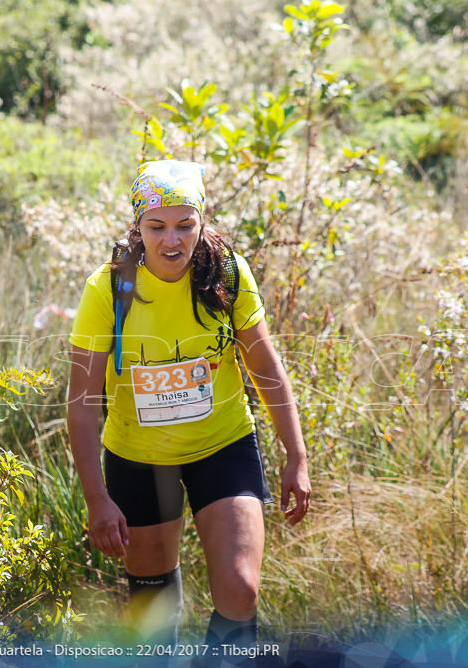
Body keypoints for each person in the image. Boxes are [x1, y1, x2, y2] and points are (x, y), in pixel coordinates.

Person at [66, 160, 311, 656]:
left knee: (241, 589)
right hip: (138, 455)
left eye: (185, 225)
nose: (171, 241)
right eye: (156, 227)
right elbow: (82, 404)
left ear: (203, 221)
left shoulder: (227, 274)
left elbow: (265, 368)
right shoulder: (108, 288)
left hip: (222, 443)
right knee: (152, 615)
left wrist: (297, 456)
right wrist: (97, 500)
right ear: (138, 226)